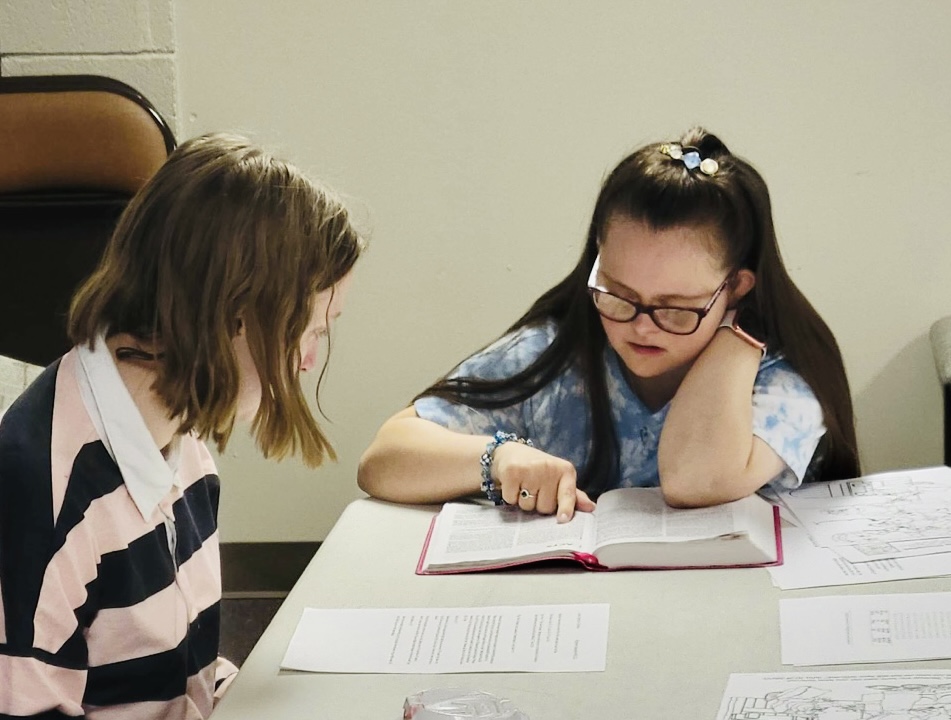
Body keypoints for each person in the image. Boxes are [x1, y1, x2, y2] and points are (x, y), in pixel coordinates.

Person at [0, 133, 364, 719]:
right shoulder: (45, 495)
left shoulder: (182, 446)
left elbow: (177, 679)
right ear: (233, 312)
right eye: (312, 328)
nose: (309, 359)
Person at [358, 126, 859, 522]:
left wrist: (738, 336)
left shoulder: (780, 378)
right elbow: (384, 458)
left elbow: (694, 479)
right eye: (618, 294)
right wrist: (498, 458)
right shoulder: (560, 353)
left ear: (737, 288)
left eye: (676, 308)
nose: (642, 326)